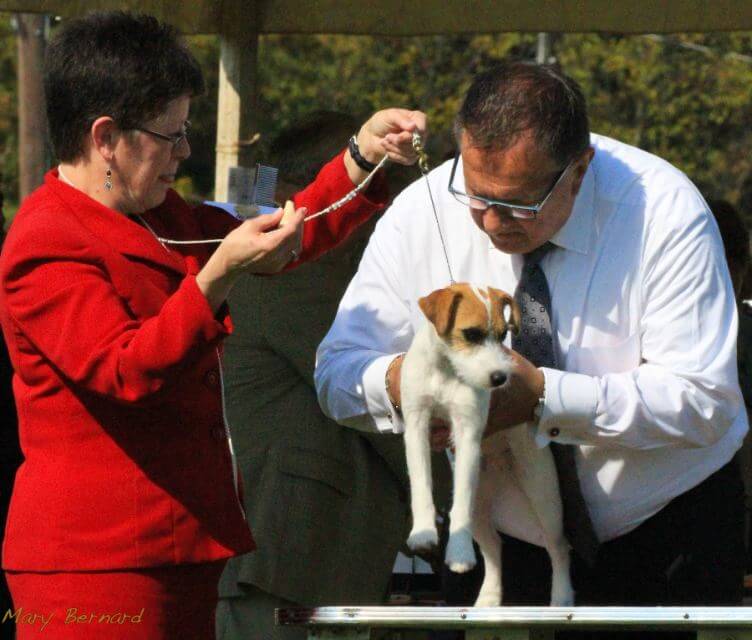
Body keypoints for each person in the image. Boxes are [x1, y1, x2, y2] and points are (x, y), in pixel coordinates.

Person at [0, 12, 425, 639]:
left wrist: (361, 157)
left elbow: (284, 240)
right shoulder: (45, 241)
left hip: (183, 547)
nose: (185, 150)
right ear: (105, 136)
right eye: (170, 135)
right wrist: (213, 279)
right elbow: (125, 369)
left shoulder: (155, 214)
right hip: (94, 564)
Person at [315, 61, 748, 610]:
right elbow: (336, 373)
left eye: (520, 203)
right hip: (495, 543)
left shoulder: (666, 212)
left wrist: (542, 396)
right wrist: (406, 384)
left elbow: (704, 401)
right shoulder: (423, 210)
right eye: (476, 196)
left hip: (665, 529)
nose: (493, 222)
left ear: (580, 168)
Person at [215, 111, 451, 640]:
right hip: (287, 562)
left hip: (309, 563)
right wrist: (475, 505)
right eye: (374, 186)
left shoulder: (318, 271)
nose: (385, 207)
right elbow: (379, 398)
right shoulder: (294, 272)